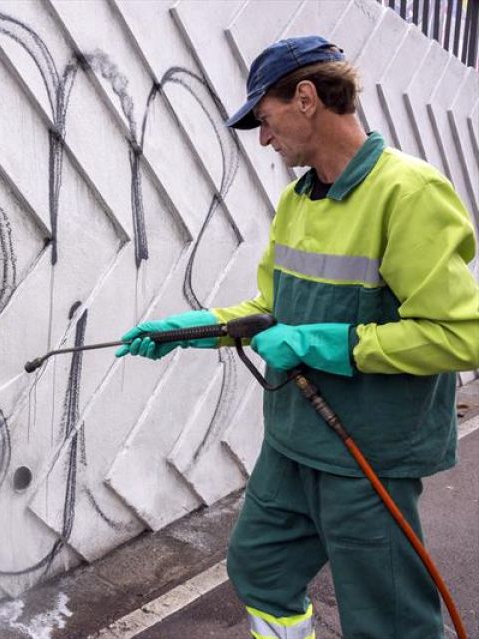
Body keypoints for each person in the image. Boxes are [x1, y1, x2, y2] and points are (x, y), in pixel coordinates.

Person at [116, 35, 479, 638]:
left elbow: (459, 335)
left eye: (265, 118)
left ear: (306, 98)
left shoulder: (407, 193)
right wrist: (192, 329)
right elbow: (270, 310)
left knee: (386, 620)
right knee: (260, 568)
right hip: (294, 438)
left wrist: (322, 344)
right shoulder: (298, 200)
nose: (264, 138)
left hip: (369, 453)